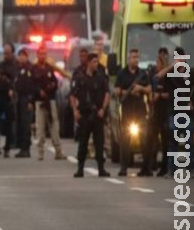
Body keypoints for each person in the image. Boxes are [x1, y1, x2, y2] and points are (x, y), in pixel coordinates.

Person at [71, 53, 111, 178]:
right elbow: (73, 95)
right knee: (83, 143)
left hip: (98, 114)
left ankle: (101, 168)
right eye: (94, 62)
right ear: (88, 63)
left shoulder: (101, 77)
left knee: (100, 143)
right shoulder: (80, 78)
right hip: (85, 114)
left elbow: (106, 93)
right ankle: (80, 168)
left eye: (97, 62)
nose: (96, 64)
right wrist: (75, 111)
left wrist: (103, 109)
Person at [114, 49, 151, 177]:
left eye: (137, 57)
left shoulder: (142, 74)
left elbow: (149, 89)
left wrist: (140, 88)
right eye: (133, 57)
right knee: (125, 141)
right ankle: (123, 168)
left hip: (140, 111)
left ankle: (146, 168)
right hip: (127, 111)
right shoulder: (122, 74)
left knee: (144, 140)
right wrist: (129, 92)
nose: (136, 59)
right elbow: (117, 90)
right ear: (128, 59)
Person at [32, 45, 64, 160]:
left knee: (54, 125)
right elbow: (31, 85)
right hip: (39, 102)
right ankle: (40, 152)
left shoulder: (50, 69)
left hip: (50, 100)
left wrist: (51, 87)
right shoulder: (34, 69)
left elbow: (55, 83)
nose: (42, 56)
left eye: (44, 54)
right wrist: (38, 91)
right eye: (40, 54)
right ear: (37, 55)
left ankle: (58, 151)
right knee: (40, 127)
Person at [149, 48, 171, 176]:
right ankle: (151, 164)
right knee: (152, 139)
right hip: (155, 112)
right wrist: (152, 98)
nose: (156, 66)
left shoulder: (168, 77)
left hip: (165, 112)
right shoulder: (155, 77)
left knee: (165, 141)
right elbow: (151, 90)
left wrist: (160, 95)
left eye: (158, 64)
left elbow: (171, 94)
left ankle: (164, 166)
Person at [13, 48, 35, 158]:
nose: (21, 57)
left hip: (27, 98)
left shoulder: (29, 69)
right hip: (19, 98)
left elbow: (32, 86)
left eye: (23, 55)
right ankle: (22, 147)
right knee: (21, 124)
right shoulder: (18, 69)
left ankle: (26, 148)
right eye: (20, 55)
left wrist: (31, 101)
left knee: (26, 124)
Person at [0, 43, 18, 156]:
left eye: (7, 53)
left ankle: (7, 147)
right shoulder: (1, 64)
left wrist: (11, 89)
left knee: (9, 123)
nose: (5, 55)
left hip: (9, 97)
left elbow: (15, 79)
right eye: (4, 52)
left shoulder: (15, 65)